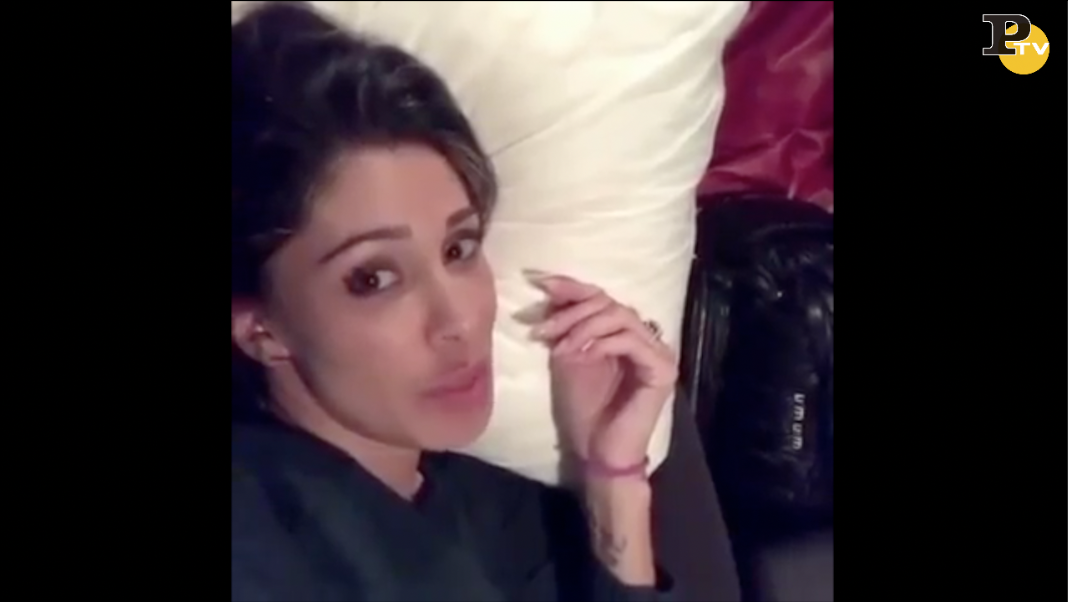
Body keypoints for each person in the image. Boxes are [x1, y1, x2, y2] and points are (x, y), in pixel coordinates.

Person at [231, 3, 680, 600]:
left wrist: (613, 482)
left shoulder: (508, 511)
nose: (460, 321)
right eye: (373, 279)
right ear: (260, 328)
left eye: (459, 248)